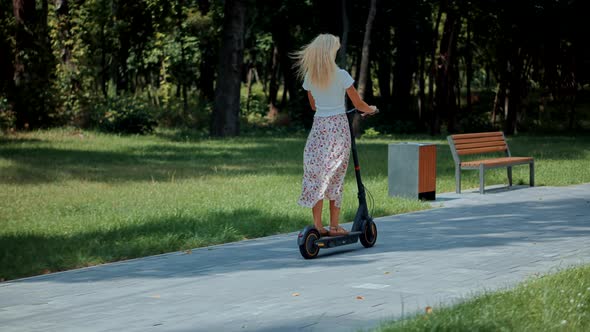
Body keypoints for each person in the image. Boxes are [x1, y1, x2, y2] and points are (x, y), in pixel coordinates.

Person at [294, 33, 377, 237]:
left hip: (318, 129)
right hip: (338, 128)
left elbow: (314, 105)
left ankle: (318, 226)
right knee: (335, 175)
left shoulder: (310, 77)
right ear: (330, 52)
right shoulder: (341, 75)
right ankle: (334, 226)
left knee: (317, 175)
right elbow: (358, 104)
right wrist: (371, 109)